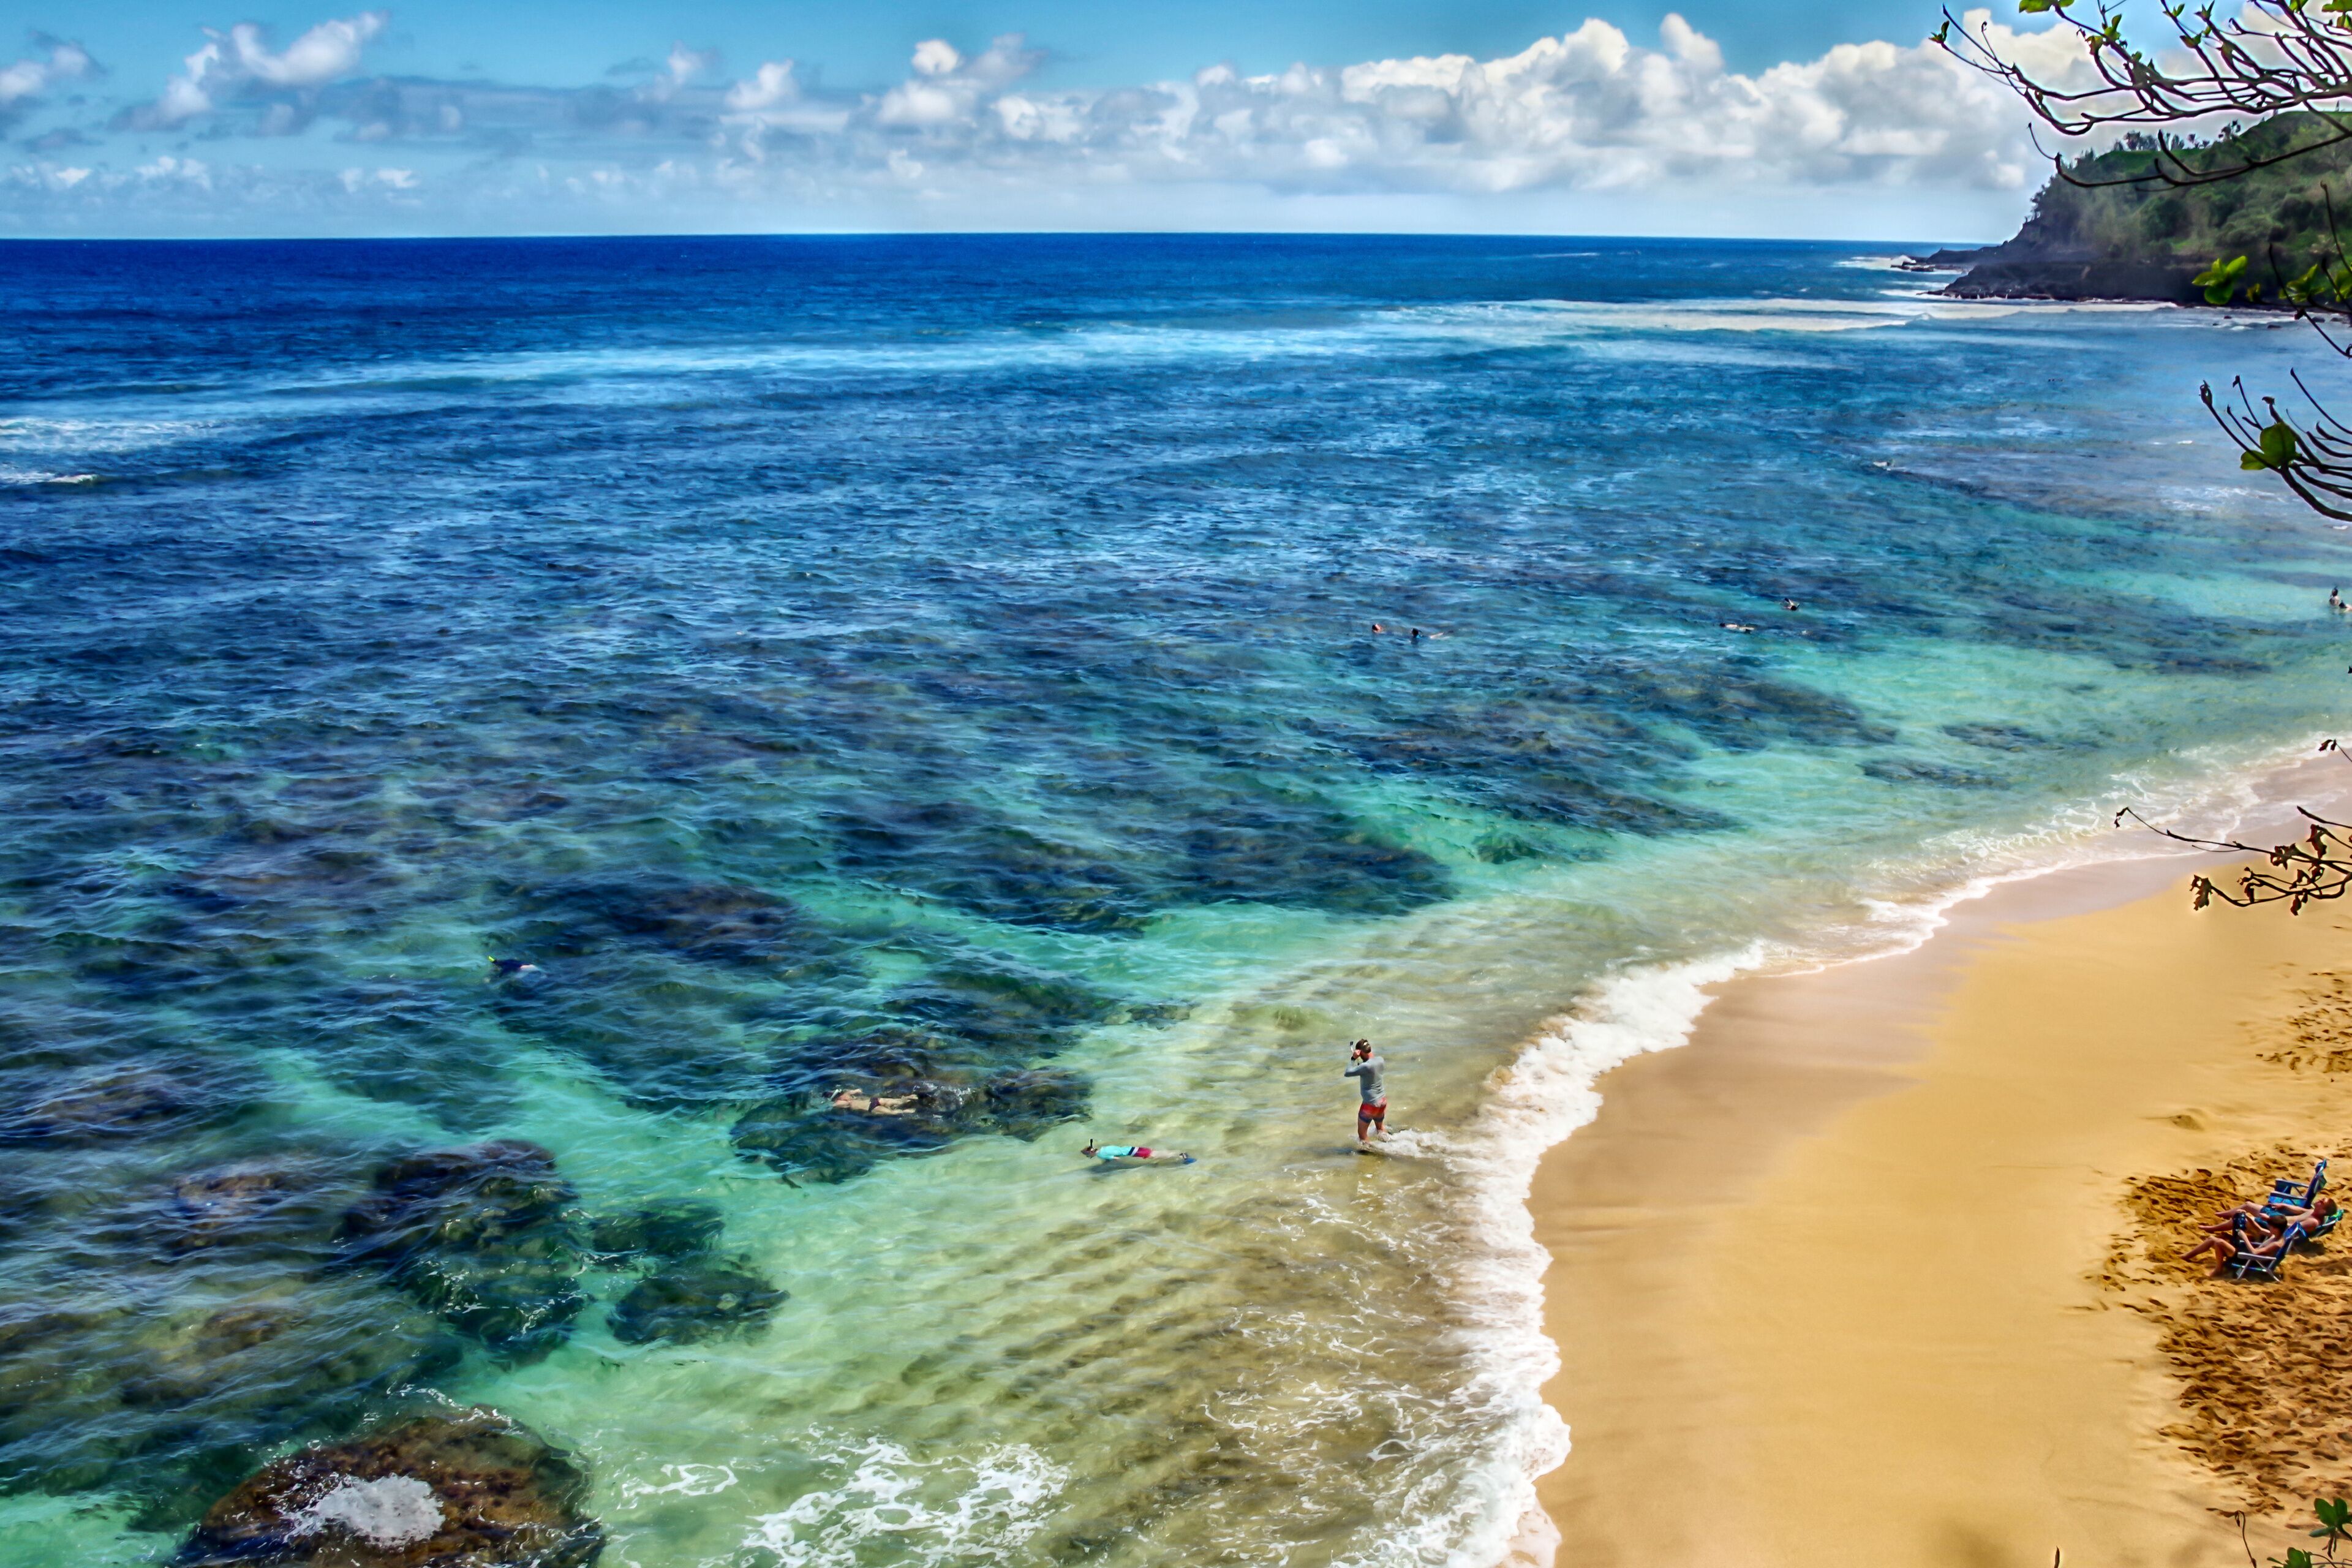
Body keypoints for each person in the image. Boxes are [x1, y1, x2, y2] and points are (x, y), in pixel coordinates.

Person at [1344, 1039, 1387, 1144]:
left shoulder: (1365, 1066)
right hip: (1382, 1102)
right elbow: (1371, 1066)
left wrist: (1353, 1059)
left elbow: (1348, 1073)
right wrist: (1363, 1061)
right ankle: (1389, 1143)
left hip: (1370, 1105)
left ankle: (1370, 1155)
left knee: (1362, 1136)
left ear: (1360, 1052)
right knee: (1381, 1130)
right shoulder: (1380, 1060)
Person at [1082, 1140, 1192, 1164]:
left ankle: (1181, 1156)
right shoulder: (1103, 1148)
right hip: (1132, 1148)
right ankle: (1177, 1153)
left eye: (1088, 1155)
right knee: (1155, 1153)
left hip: (1133, 1153)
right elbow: (1115, 1150)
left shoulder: (1101, 1155)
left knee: (1154, 1155)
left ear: (1091, 1153)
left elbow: (1117, 1158)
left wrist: (1111, 1161)